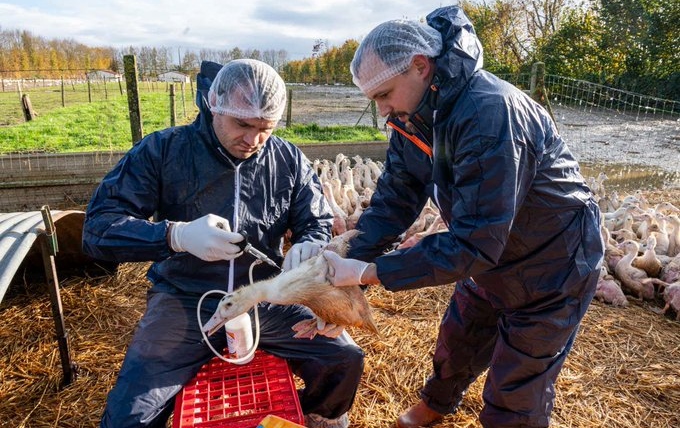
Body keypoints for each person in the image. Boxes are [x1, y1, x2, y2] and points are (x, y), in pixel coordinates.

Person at [323, 6, 603, 428]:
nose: (381, 110)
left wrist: (368, 271)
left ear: (420, 66)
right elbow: (396, 197)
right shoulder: (413, 117)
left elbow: (475, 241)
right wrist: (340, 273)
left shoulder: (491, 114)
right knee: (460, 339)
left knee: (517, 385)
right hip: (488, 250)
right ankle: (436, 404)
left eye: (384, 94)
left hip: (552, 259)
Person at [82, 59, 363, 428]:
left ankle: (310, 413)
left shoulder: (287, 158)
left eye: (266, 128)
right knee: (128, 417)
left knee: (344, 359)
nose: (253, 140)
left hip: (266, 295)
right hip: (185, 298)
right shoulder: (165, 151)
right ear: (213, 102)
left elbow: (317, 220)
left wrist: (310, 245)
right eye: (242, 124)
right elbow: (98, 229)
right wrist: (175, 236)